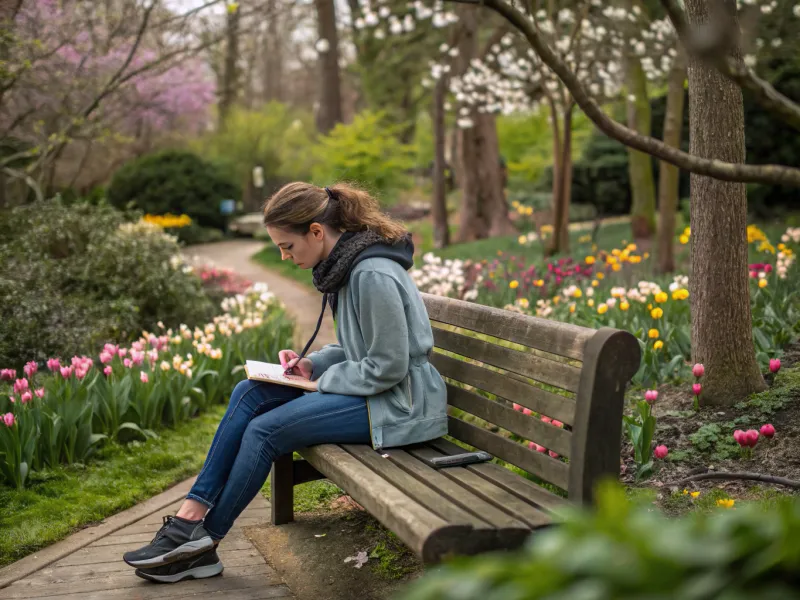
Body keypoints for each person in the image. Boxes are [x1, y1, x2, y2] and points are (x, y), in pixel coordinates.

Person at [122, 182, 449, 584]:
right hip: (379, 390)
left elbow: (387, 366)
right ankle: (191, 516)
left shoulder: (372, 274)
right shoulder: (347, 266)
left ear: (316, 231)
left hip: (401, 403)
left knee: (267, 430)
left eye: (287, 246)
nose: (283, 255)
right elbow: (356, 347)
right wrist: (312, 364)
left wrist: (325, 380)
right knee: (250, 392)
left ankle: (202, 543)